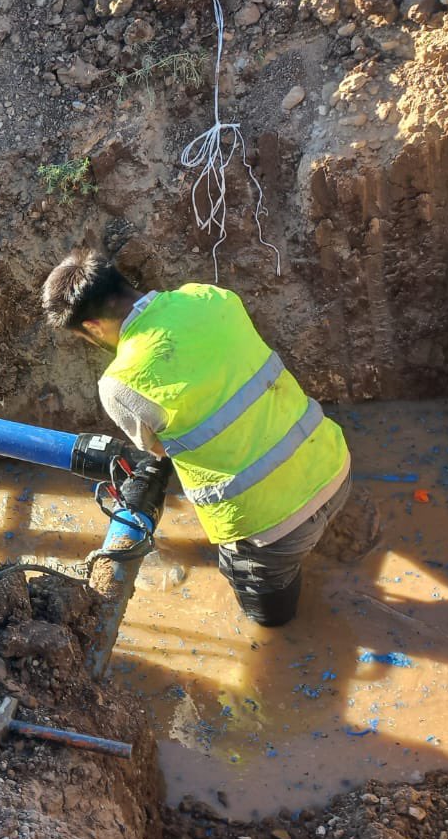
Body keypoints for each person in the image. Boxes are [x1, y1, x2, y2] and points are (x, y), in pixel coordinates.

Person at [42, 249, 351, 627]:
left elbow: (158, 450)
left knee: (268, 618)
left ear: (91, 327)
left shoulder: (120, 384)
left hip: (269, 531)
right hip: (335, 465)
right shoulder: (209, 297)